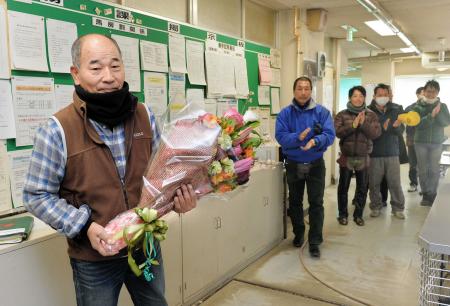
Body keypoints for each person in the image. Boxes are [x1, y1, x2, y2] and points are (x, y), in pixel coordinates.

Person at [23, 34, 197, 306]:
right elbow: (36, 195)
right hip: (94, 259)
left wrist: (180, 198)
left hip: (145, 245)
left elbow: (162, 176)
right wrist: (83, 227)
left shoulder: (144, 115)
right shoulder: (57, 129)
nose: (108, 76)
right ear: (76, 74)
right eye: (95, 68)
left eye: (115, 66)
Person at [275, 76, 335, 258]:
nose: (303, 92)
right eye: (299, 88)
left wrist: (315, 141)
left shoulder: (322, 112)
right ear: (294, 91)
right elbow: (280, 136)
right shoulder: (285, 114)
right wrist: (298, 138)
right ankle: (299, 234)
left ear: (311, 91)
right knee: (295, 202)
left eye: (307, 88)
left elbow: (330, 135)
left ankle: (315, 241)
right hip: (293, 164)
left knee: (316, 203)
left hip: (316, 164)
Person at [335, 86, 381, 226]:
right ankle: (342, 214)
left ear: (364, 98)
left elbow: (375, 134)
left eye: (361, 95)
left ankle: (358, 215)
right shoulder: (342, 114)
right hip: (346, 156)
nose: (358, 98)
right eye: (355, 96)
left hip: (363, 156)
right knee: (343, 186)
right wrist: (353, 125)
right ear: (350, 98)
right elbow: (338, 132)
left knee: (362, 187)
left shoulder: (371, 115)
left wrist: (363, 124)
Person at [368, 83, 406, 219]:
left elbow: (401, 130)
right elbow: (368, 131)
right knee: (374, 183)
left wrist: (394, 127)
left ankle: (398, 208)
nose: (383, 97)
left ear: (389, 95)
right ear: (374, 96)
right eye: (380, 95)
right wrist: (383, 128)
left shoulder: (397, 109)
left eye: (385, 95)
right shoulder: (368, 111)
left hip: (392, 152)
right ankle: (375, 206)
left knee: (395, 182)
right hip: (374, 153)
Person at [413, 80, 450, 206]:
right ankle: (425, 195)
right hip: (420, 142)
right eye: (428, 91)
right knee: (423, 170)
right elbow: (417, 125)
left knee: (434, 170)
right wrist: (431, 116)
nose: (430, 94)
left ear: (437, 92)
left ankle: (433, 194)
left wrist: (438, 113)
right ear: (424, 91)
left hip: (436, 142)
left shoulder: (443, 106)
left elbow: (445, 122)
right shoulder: (418, 106)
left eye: (433, 91)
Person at [405, 87, 424, 192]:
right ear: (417, 94)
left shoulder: (428, 108)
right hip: (412, 140)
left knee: (423, 164)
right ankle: (413, 183)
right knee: (413, 164)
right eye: (422, 93)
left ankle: (424, 186)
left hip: (424, 141)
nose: (424, 95)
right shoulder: (410, 108)